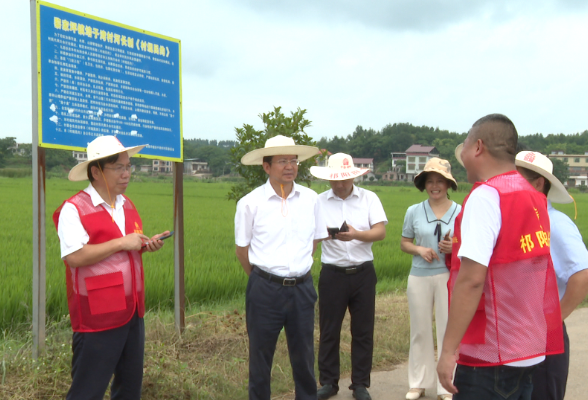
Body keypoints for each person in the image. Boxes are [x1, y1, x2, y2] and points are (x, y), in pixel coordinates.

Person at [436, 114, 564, 400]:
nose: (463, 156)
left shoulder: (487, 196)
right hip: (527, 351)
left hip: (490, 357)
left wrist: (448, 350)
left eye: (465, 147)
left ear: (478, 147)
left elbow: (470, 280)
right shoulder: (532, 195)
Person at [52, 135, 170, 400]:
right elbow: (74, 257)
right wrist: (121, 243)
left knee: (129, 389)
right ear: (96, 171)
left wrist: (145, 244)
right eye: (119, 168)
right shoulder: (74, 209)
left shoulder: (127, 205)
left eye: (129, 167)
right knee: (88, 390)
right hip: (98, 314)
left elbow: (129, 246)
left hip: (133, 311)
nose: (127, 174)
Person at [234, 135, 328, 400]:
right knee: (260, 360)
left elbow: (314, 242)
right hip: (265, 290)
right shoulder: (250, 203)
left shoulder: (311, 199)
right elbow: (243, 251)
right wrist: (263, 280)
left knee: (304, 357)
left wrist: (297, 270)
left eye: (293, 160)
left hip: (302, 289)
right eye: (282, 161)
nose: (290, 166)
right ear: (266, 167)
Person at [309, 153, 388, 400]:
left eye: (344, 180)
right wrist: (324, 236)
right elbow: (311, 236)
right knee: (329, 330)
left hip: (363, 272)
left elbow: (380, 232)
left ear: (353, 176)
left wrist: (356, 234)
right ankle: (329, 383)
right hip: (332, 273)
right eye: (335, 181)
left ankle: (361, 384)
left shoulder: (369, 198)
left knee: (363, 330)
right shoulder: (319, 202)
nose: (340, 185)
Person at [515, 151, 588, 400]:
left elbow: (582, 276)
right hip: (517, 335)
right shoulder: (519, 222)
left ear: (538, 184)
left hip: (545, 338)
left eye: (517, 179)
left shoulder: (555, 223)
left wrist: (551, 323)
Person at [400, 158, 461, 400]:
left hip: (448, 275)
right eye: (430, 181)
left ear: (448, 184)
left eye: (440, 181)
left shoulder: (460, 212)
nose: (435, 186)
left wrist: (452, 247)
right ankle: (418, 383)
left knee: (448, 330)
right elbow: (405, 243)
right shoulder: (413, 211)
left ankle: (447, 385)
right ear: (424, 185)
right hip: (419, 276)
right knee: (420, 329)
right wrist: (420, 250)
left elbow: (467, 245)